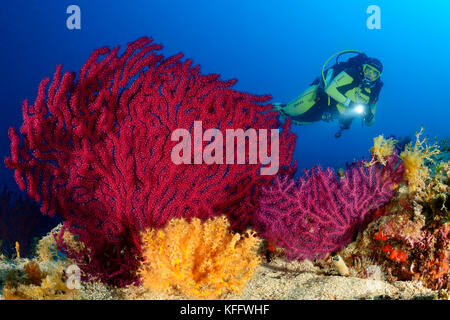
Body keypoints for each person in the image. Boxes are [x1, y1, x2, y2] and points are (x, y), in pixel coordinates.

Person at [275, 51, 383, 138]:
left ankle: (273, 126)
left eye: (374, 73)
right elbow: (330, 89)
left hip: (328, 113)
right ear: (363, 68)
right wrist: (350, 103)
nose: (369, 74)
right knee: (288, 110)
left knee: (299, 120)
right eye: (368, 69)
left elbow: (370, 123)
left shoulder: (374, 91)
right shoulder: (351, 73)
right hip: (315, 96)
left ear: (378, 76)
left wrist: (369, 117)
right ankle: (264, 110)